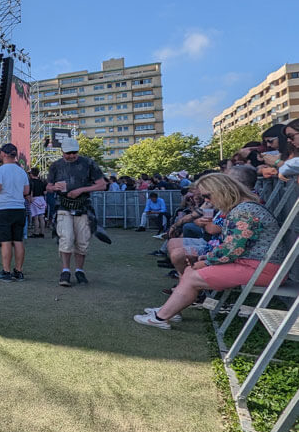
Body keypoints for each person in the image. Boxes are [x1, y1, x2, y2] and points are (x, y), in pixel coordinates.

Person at [134, 172, 287, 329]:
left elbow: (231, 249)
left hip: (262, 269)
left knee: (192, 276)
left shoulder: (244, 211)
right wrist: (206, 259)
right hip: (257, 265)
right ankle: (168, 312)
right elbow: (232, 248)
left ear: (221, 190)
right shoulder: (244, 207)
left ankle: (161, 318)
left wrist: (206, 260)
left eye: (207, 196)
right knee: (190, 273)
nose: (206, 201)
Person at [47, 138, 107, 286]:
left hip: (83, 207)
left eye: (74, 152)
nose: (72, 156)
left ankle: (80, 271)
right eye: (68, 153)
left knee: (82, 241)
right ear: (62, 152)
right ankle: (65, 270)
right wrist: (53, 188)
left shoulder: (89, 163)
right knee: (66, 239)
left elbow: (102, 185)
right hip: (63, 206)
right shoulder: (55, 166)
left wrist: (81, 189)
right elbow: (48, 186)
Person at [0, 143, 30, 282]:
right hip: (19, 208)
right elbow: (26, 191)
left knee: (6, 241)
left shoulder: (0, 170)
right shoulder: (22, 171)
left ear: (4, 154)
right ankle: (18, 271)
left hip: (3, 208)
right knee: (18, 240)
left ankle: (6, 271)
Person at [28, 167, 47, 238]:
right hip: (42, 199)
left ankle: (36, 232)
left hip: (34, 199)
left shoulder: (31, 182)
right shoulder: (42, 181)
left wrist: (30, 198)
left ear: (32, 174)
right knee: (41, 217)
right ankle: (42, 232)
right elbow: (45, 192)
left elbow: (31, 191)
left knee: (35, 217)